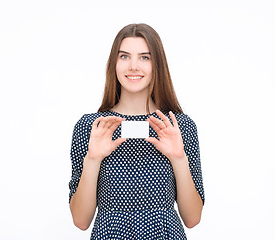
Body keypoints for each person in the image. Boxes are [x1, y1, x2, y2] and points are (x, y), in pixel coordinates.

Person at [68, 23, 205, 239]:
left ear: (157, 64)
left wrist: (178, 158)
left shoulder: (179, 126)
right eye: (124, 56)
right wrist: (93, 159)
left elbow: (192, 218)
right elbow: (80, 221)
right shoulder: (92, 127)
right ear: (114, 62)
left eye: (145, 57)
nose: (133, 66)